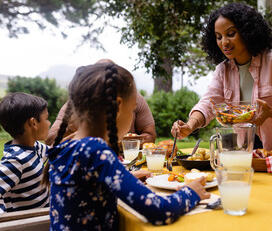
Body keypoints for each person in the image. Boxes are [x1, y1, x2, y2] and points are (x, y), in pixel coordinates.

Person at [42, 62, 210, 229]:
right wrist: (191, 192)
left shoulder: (67, 146)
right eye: (132, 109)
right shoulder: (95, 150)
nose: (132, 115)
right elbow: (160, 211)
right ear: (118, 105)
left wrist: (124, 178)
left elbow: (88, 187)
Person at [171, 2, 272, 154]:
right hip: (248, 147)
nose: (224, 42)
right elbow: (208, 103)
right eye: (218, 37)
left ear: (247, 31)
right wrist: (189, 125)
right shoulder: (222, 70)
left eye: (231, 34)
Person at [45, 60, 156, 147]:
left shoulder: (63, 154)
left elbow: (150, 135)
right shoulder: (104, 161)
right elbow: (50, 139)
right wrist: (69, 128)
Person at [0, 92, 50, 212]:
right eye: (47, 119)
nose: (49, 123)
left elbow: (55, 151)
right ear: (33, 123)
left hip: (41, 215)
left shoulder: (35, 146)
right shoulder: (16, 161)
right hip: (30, 224)